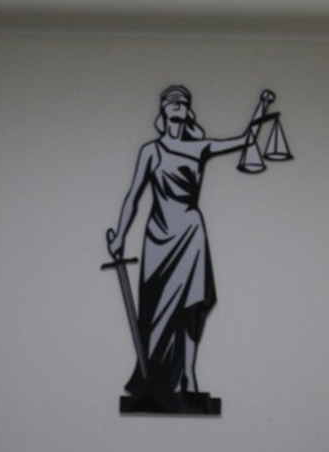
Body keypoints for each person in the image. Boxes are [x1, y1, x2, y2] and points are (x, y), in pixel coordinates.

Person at [107, 86, 271, 406]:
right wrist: (120, 236)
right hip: (159, 238)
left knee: (191, 307)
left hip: (191, 233)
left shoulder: (199, 147)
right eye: (171, 103)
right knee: (154, 310)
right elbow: (133, 196)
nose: (177, 107)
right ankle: (151, 378)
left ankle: (189, 375)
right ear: (163, 111)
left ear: (187, 111)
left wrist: (262, 108)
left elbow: (245, 139)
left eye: (182, 103)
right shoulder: (151, 151)